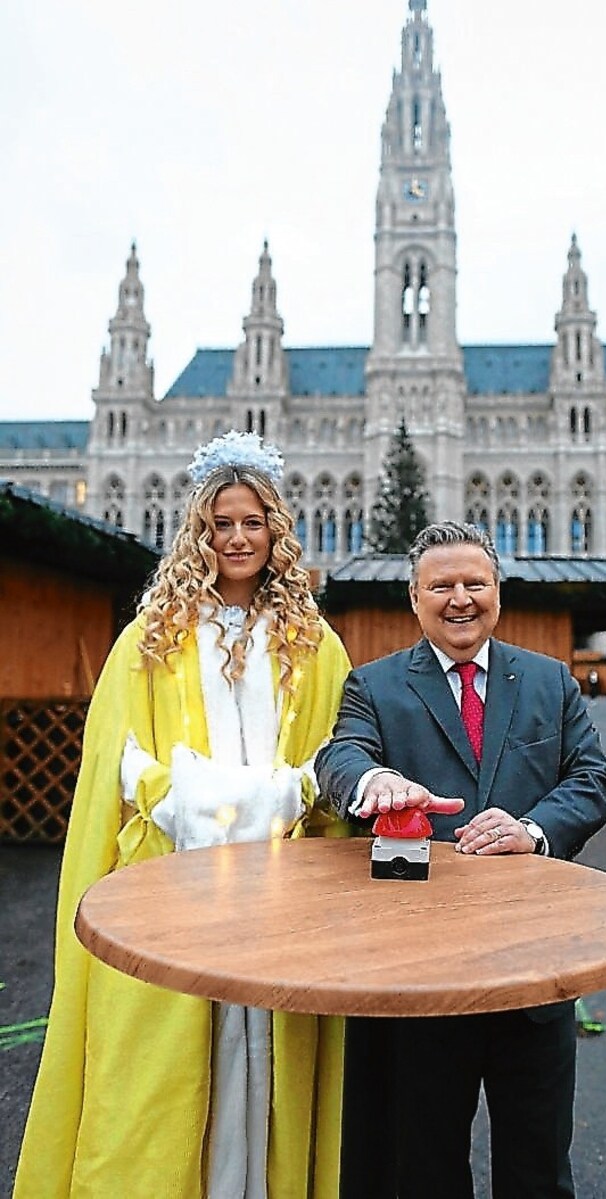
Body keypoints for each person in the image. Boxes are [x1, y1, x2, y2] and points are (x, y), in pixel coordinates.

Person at [14, 431, 353, 1199]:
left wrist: (290, 798)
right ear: (198, 533)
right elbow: (120, 766)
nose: (237, 538)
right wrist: (224, 801)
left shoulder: (315, 644)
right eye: (220, 524)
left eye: (252, 523)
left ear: (276, 531)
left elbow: (332, 760)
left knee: (268, 1062)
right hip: (170, 895)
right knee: (156, 1084)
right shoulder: (150, 639)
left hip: (278, 900)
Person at [316, 521, 606, 1199]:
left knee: (538, 1169)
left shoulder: (550, 681)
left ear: (497, 592)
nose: (460, 598)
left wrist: (535, 827)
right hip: (421, 979)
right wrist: (373, 784)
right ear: (415, 596)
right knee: (421, 1169)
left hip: (532, 972)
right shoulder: (374, 685)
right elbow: (341, 755)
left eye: (474, 583)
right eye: (441, 585)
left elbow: (593, 779)